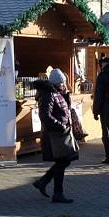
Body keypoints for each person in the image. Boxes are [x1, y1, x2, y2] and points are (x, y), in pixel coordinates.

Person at [32, 69, 77, 203]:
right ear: (57, 83)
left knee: (64, 160)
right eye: (62, 83)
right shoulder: (49, 95)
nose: (64, 85)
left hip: (60, 134)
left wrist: (66, 95)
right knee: (63, 160)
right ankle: (55, 191)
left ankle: (44, 182)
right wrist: (60, 125)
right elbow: (45, 115)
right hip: (55, 135)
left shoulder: (56, 93)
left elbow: (66, 109)